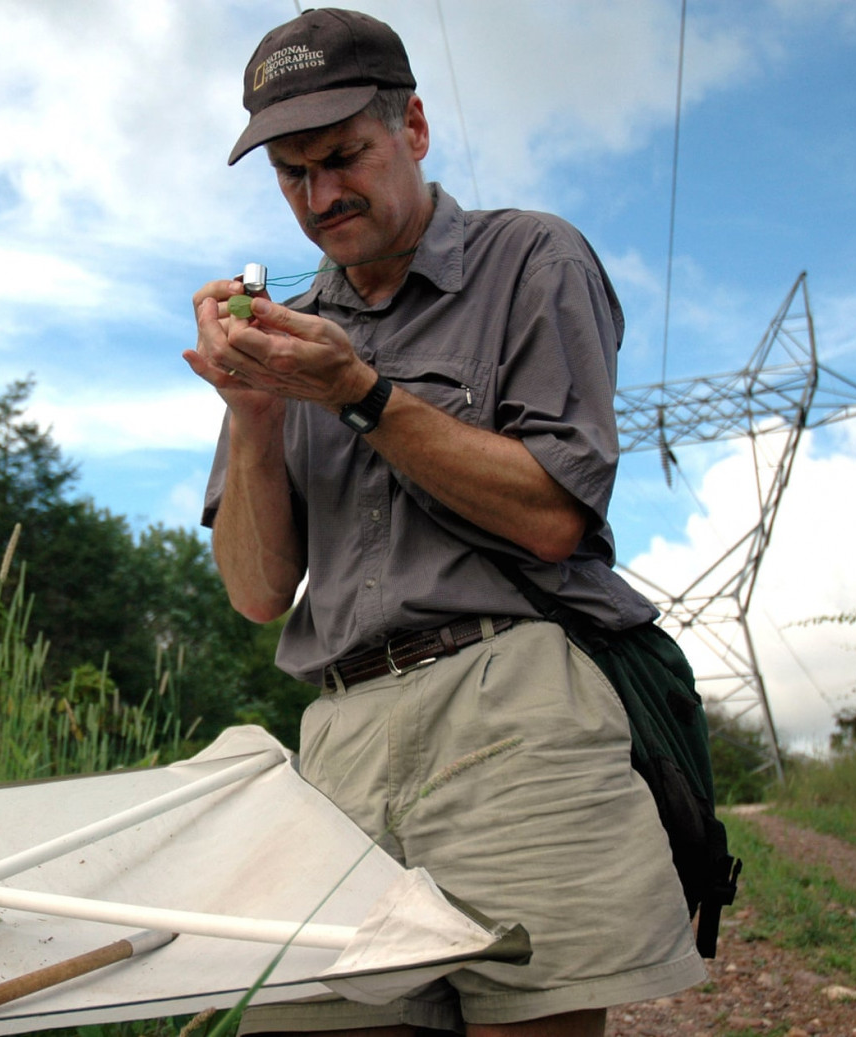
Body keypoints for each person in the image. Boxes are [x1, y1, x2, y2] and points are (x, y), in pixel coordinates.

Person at [183, 9, 708, 1036]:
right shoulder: (284, 332)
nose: (322, 194)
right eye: (292, 174)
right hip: (337, 733)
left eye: (344, 157)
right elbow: (254, 590)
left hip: (512, 703)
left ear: (413, 128)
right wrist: (252, 416)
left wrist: (363, 394)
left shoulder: (533, 260)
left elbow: (554, 517)